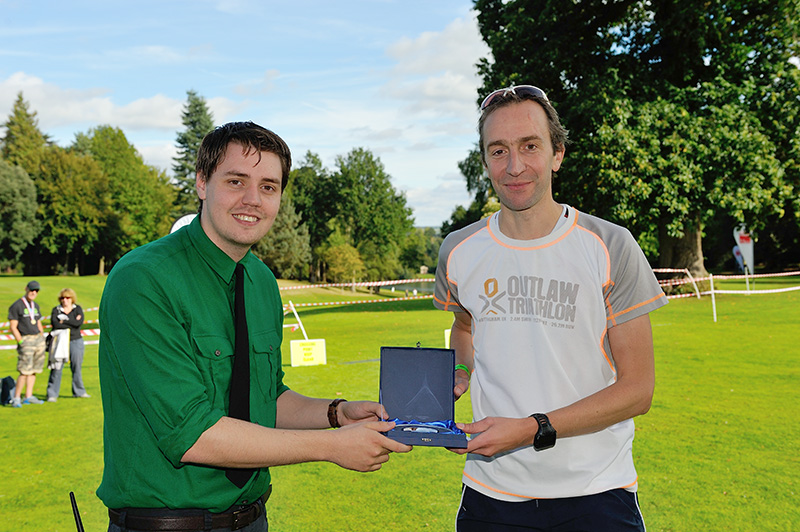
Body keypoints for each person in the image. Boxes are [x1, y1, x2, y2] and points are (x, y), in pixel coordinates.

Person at [97, 121, 411, 532]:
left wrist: (337, 414)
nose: (252, 199)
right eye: (236, 181)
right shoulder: (143, 279)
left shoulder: (260, 280)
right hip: (167, 522)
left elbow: (265, 399)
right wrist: (331, 446)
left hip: (252, 519)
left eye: (268, 186)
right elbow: (193, 435)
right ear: (202, 183)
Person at [433, 85, 668, 531]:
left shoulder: (610, 245)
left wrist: (531, 428)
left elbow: (638, 389)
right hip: (491, 494)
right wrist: (460, 372)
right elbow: (464, 328)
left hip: (597, 493)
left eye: (530, 146)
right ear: (484, 161)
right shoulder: (458, 249)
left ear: (557, 153)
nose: (514, 166)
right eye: (498, 151)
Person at [7, 280, 47, 407]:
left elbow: (38, 321)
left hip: (38, 340)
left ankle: (28, 396)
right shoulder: (17, 305)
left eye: (36, 291)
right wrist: (20, 341)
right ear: (26, 289)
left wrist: (41, 335)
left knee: (34, 370)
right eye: (32, 290)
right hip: (26, 340)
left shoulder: (35, 305)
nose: (33, 293)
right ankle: (17, 397)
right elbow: (13, 326)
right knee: (24, 371)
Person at [45, 288, 89, 401]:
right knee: (57, 367)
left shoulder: (77, 309)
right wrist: (71, 321)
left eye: (68, 298)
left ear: (72, 299)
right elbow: (55, 324)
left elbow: (78, 323)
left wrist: (64, 321)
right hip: (59, 342)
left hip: (75, 340)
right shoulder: (56, 310)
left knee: (76, 367)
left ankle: (79, 391)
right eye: (63, 298)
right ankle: (52, 394)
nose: (65, 300)